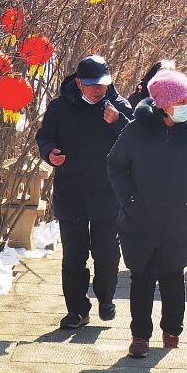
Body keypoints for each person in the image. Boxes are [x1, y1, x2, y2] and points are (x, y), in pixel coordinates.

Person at [107, 69, 187, 358]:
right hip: (139, 217)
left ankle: (172, 331)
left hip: (177, 219)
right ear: (163, 104)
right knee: (141, 278)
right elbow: (116, 164)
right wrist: (128, 199)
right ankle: (140, 336)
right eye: (182, 101)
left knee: (173, 277)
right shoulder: (137, 129)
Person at [35, 55, 134, 329]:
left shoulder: (120, 106)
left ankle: (105, 298)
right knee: (73, 257)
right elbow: (45, 135)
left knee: (107, 253)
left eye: (102, 84)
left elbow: (137, 143)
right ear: (78, 83)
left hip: (108, 193)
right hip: (71, 191)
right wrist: (49, 152)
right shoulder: (60, 107)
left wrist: (117, 121)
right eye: (91, 85)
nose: (98, 90)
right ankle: (77, 310)